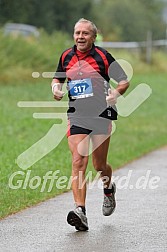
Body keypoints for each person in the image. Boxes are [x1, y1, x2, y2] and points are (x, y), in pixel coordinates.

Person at [51, 18, 129, 231]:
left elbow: (123, 81)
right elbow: (57, 78)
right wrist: (55, 89)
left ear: (93, 37)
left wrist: (115, 93)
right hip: (77, 115)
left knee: (99, 165)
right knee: (78, 161)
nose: (80, 37)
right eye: (77, 33)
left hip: (102, 114)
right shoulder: (66, 56)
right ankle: (80, 211)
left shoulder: (103, 56)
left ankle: (108, 189)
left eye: (85, 33)